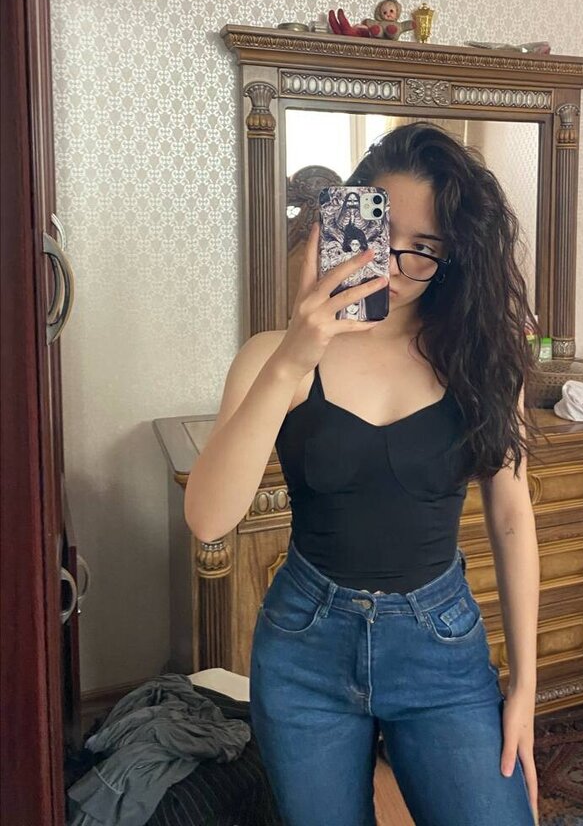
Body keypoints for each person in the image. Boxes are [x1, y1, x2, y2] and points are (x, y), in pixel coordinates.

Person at [184, 122, 548, 826]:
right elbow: (208, 518)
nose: (397, 265)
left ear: (453, 256)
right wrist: (296, 354)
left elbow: (511, 516)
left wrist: (527, 688)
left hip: (441, 650)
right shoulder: (272, 356)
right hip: (305, 651)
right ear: (346, 223)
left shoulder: (480, 360)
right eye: (383, 234)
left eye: (426, 248)